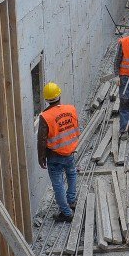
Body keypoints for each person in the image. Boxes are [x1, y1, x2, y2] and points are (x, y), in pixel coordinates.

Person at [37, 82, 80, 222]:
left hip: (54, 156)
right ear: (59, 95)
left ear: (46, 99)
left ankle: (66, 213)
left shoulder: (45, 117)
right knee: (72, 174)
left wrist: (41, 157)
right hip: (69, 152)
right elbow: (75, 128)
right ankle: (71, 201)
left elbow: (42, 140)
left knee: (58, 184)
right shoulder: (71, 109)